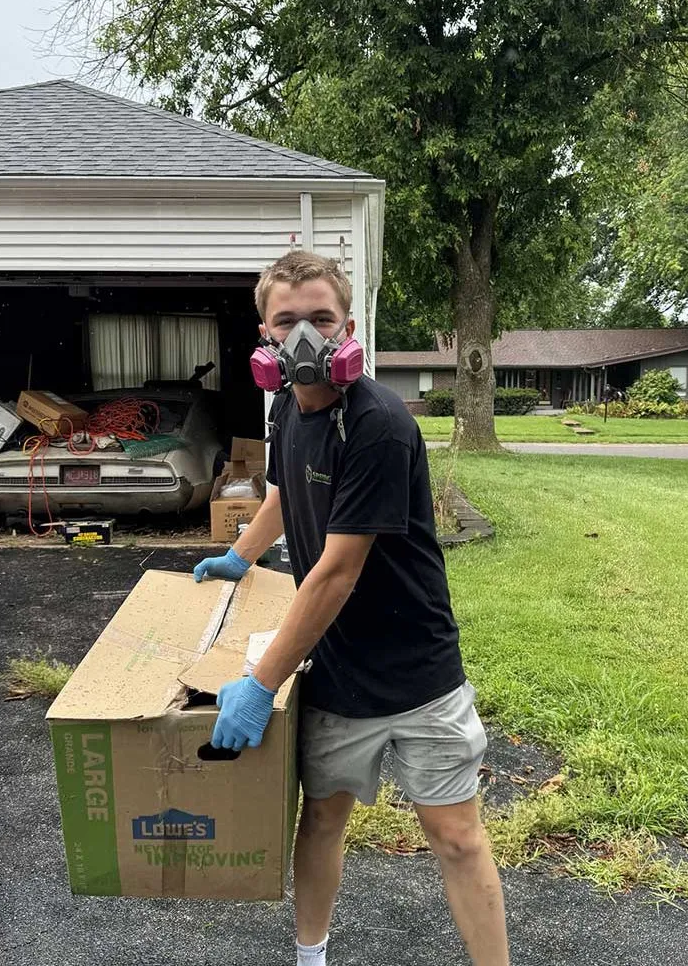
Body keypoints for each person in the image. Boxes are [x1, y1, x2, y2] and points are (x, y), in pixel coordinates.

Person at [193, 251, 510, 966]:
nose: (304, 334)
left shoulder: (379, 422)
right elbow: (284, 490)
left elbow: (335, 573)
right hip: (335, 670)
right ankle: (312, 960)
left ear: (349, 328)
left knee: (458, 836)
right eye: (287, 320)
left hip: (418, 671)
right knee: (322, 822)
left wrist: (261, 683)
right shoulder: (284, 405)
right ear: (264, 333)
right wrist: (243, 553)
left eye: (321, 318)